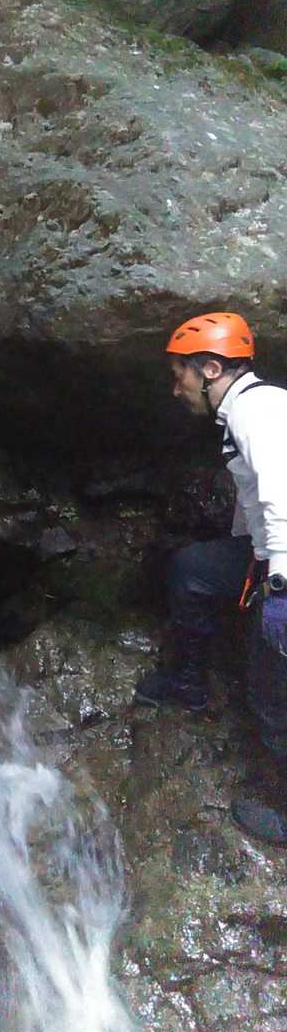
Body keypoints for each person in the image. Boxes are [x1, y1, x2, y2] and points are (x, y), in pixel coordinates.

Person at [134, 311, 287, 845]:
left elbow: (280, 494)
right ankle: (189, 683)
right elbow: (255, 501)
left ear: (211, 369)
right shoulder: (251, 409)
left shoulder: (256, 411)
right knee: (193, 569)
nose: (175, 388)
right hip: (265, 556)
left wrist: (278, 586)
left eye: (180, 374)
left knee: (271, 694)